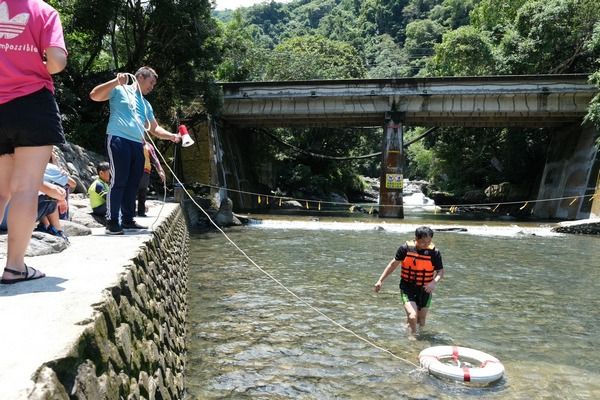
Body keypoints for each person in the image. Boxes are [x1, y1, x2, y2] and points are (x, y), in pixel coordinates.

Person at [0, 0, 67, 284]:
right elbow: (57, 61)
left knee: (1, 190)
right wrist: (34, 63)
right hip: (32, 103)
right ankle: (15, 267)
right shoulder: (43, 11)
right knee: (26, 188)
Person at [89, 66, 180, 235]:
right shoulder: (119, 89)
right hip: (118, 139)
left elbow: (154, 128)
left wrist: (172, 136)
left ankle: (128, 220)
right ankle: (112, 221)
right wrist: (116, 81)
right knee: (118, 181)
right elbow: (94, 95)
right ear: (140, 77)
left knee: (133, 184)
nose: (152, 87)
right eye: (151, 82)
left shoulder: (146, 104)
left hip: (138, 144)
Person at [374, 226, 444, 339]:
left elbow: (440, 271)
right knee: (412, 316)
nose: (426, 244)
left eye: (429, 241)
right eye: (422, 242)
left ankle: (413, 332)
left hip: (425, 289)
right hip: (407, 287)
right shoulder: (405, 249)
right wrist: (380, 280)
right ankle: (412, 339)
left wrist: (433, 282)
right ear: (416, 238)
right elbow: (392, 265)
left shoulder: (434, 253)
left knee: (421, 320)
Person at [137, 141, 165, 217]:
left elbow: (155, 159)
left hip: (145, 171)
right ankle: (129, 214)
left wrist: (160, 170)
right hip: (133, 171)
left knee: (142, 192)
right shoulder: (131, 141)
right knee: (131, 192)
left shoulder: (148, 145)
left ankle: (141, 212)